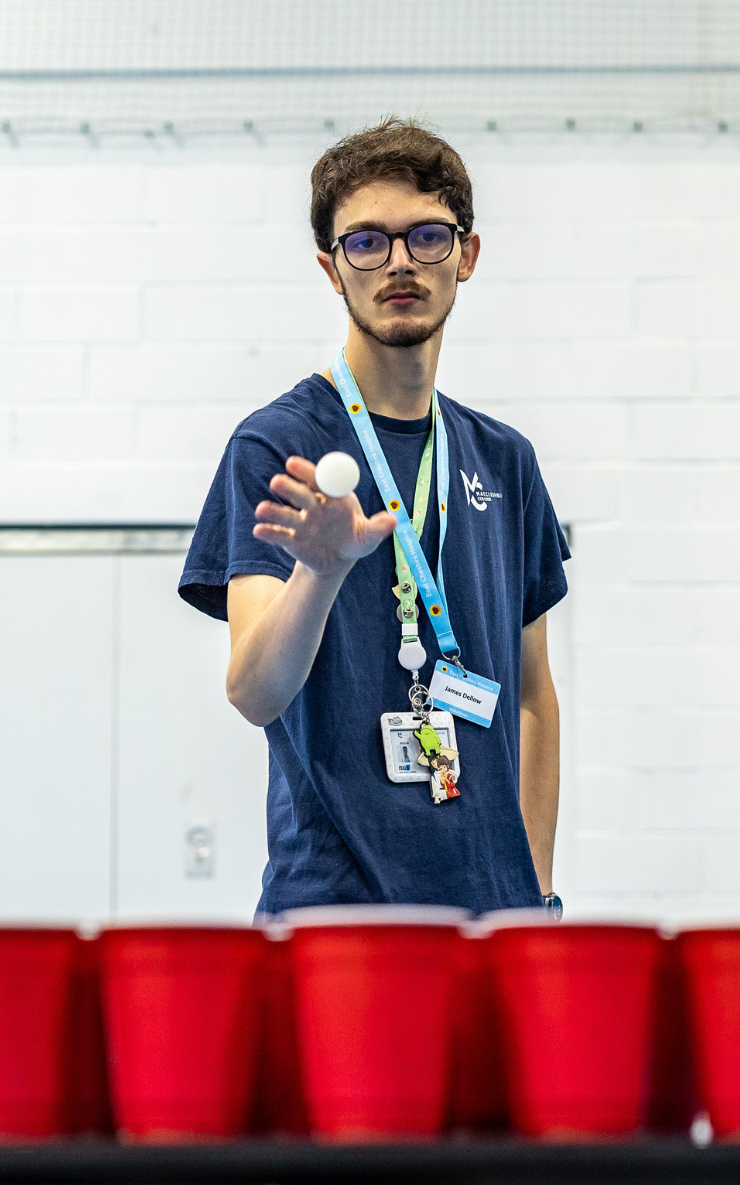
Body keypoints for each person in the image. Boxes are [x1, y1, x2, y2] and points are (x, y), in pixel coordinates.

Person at [179, 118, 569, 918]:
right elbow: (254, 691)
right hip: (335, 918)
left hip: (495, 925)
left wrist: (535, 895)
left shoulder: (505, 461)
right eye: (366, 243)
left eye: (427, 236)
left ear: (467, 255)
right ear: (332, 269)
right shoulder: (276, 443)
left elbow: (532, 695)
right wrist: (320, 573)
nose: (398, 262)